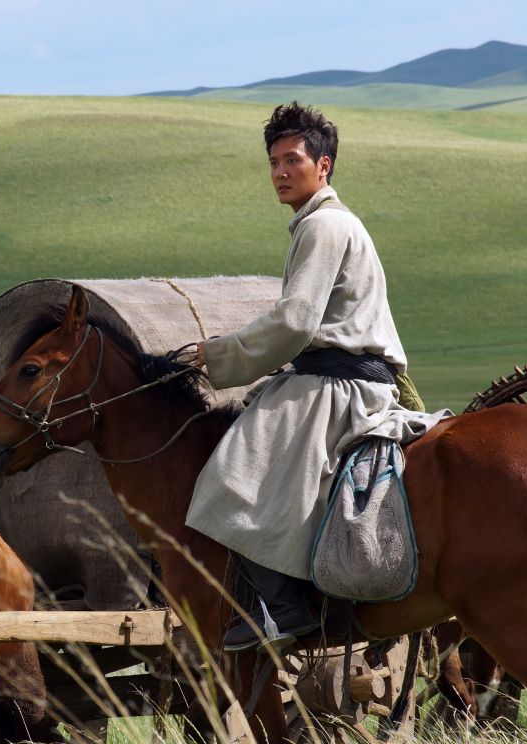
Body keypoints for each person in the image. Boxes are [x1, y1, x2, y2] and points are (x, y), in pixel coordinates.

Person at [183, 102, 448, 653]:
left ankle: (282, 609)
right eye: (274, 162)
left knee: (233, 471)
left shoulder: (324, 225)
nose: (280, 172)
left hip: (337, 386)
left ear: (322, 166)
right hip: (344, 378)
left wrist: (220, 355)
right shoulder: (323, 223)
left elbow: (296, 321)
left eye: (293, 160)